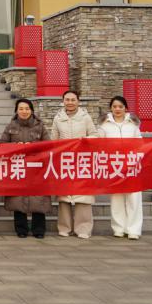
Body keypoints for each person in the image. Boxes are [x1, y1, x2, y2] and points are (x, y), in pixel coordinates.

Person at [0, 99, 52, 239]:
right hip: (18, 168)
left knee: (38, 199)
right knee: (18, 199)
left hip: (36, 168)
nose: (24, 111)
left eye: (27, 108)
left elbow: (48, 145)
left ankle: (38, 229)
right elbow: (2, 145)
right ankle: (21, 229)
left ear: (31, 110)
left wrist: (33, 146)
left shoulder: (40, 126)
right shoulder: (10, 126)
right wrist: (15, 146)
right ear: (16, 111)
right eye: (21, 109)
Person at [51, 90, 98, 239]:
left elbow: (95, 135)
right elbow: (53, 140)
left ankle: (83, 228)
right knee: (64, 197)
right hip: (65, 161)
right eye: (67, 100)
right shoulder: (58, 118)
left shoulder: (85, 117)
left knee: (83, 196)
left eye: (73, 100)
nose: (70, 102)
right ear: (63, 101)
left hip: (82, 160)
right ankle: (64, 227)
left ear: (78, 101)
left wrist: (85, 141)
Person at [98, 95, 143, 240]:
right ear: (110, 108)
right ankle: (118, 228)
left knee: (134, 197)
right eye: (114, 107)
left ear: (126, 108)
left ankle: (134, 229)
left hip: (131, 165)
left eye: (120, 107)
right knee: (116, 197)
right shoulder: (104, 126)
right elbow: (98, 144)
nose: (117, 109)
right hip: (114, 165)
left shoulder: (133, 124)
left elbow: (141, 144)